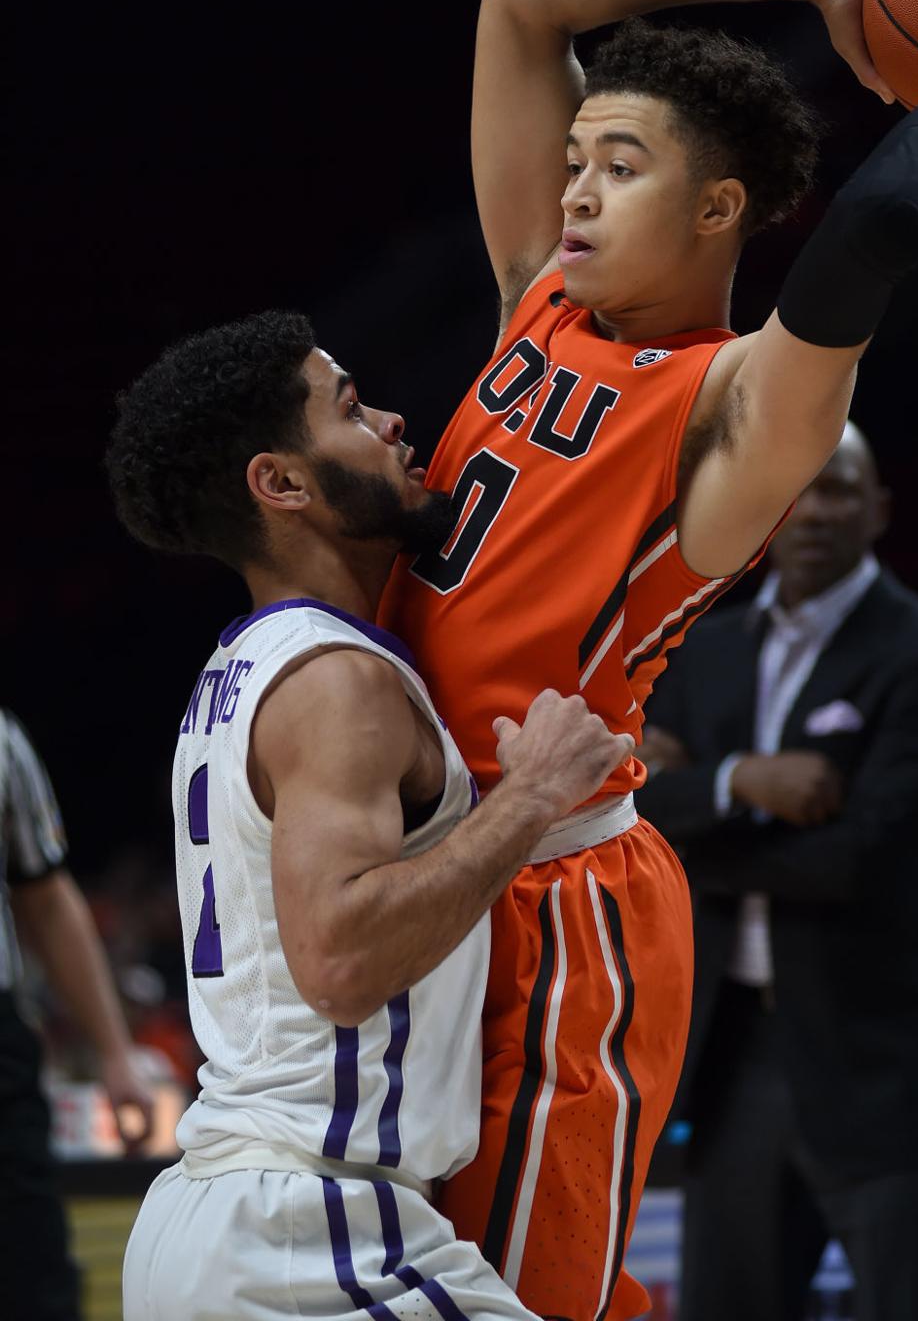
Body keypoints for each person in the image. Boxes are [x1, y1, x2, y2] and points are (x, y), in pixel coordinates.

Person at [377, 0, 918, 1319]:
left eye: (622, 166)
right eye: (576, 160)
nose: (577, 190)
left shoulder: (735, 406)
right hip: (419, 874)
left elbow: (875, 235)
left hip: (551, 902)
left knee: (511, 1301)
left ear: (720, 207)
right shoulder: (536, 298)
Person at [104, 311, 633, 1321]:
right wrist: (532, 797)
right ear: (281, 483)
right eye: (349, 410)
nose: (392, 422)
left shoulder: (244, 666)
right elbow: (342, 963)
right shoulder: (336, 681)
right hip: (309, 1233)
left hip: (223, 1213)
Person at [636, 423, 918, 1320]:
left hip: (884, 1053)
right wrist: (741, 780)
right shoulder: (703, 647)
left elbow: (858, 859)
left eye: (840, 489)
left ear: (879, 510)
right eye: (797, 489)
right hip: (737, 1053)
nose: (817, 510)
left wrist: (699, 827)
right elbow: (635, 803)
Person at [1, 708, 155, 1321]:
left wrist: (116, 1055)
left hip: (2, 1048)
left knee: (33, 1277)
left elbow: (44, 895)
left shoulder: (4, 739)